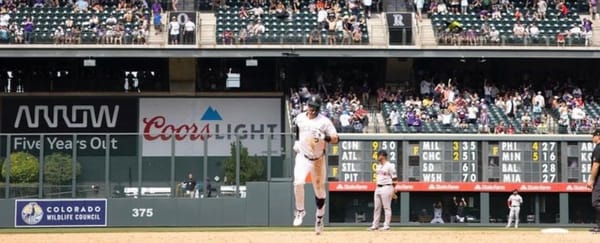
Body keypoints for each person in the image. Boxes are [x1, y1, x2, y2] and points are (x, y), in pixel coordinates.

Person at [292, 95, 339, 235]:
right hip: (303, 156)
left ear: (319, 109)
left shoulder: (324, 122)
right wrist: (297, 142)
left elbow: (336, 139)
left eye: (315, 108)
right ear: (307, 105)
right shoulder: (300, 117)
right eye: (310, 106)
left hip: (318, 159)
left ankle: (319, 219)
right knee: (298, 182)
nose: (312, 110)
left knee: (319, 191)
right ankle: (300, 211)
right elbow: (298, 129)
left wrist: (324, 137)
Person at [367, 150, 397, 231]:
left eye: (378, 155)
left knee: (387, 207)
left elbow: (394, 178)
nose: (377, 157)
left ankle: (386, 226)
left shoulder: (390, 166)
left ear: (383, 156)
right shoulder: (378, 166)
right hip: (378, 187)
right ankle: (375, 225)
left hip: (387, 187)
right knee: (376, 207)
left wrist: (393, 189)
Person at [586, 129, 600, 232]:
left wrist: (591, 180)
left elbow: (596, 165)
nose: (592, 137)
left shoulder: (598, 148)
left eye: (593, 135)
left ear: (598, 136)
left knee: (596, 202)